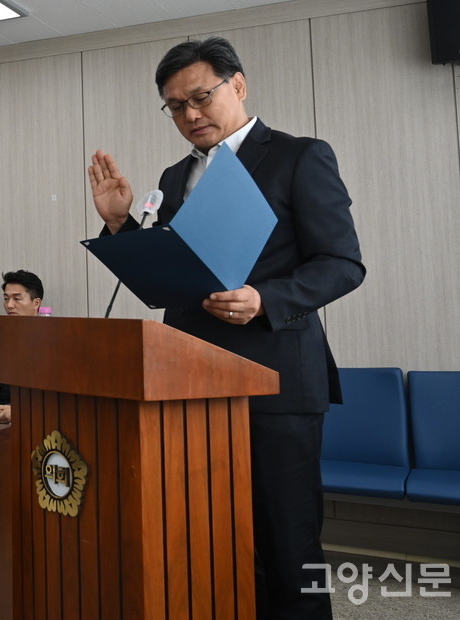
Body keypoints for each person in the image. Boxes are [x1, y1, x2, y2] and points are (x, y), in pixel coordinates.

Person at [88, 36, 364, 620]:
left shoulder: (299, 156)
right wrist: (119, 227)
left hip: (276, 383)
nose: (189, 115)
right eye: (175, 106)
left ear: (237, 85)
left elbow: (342, 263)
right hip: (190, 384)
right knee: (213, 543)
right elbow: (169, 275)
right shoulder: (174, 175)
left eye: (200, 97)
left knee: (288, 549)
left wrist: (266, 299)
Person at [0, 270, 45, 423]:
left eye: (17, 299)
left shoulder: (51, 339)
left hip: (35, 413)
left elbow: (53, 395)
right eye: (6, 299)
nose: (9, 305)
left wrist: (20, 411)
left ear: (36, 303)